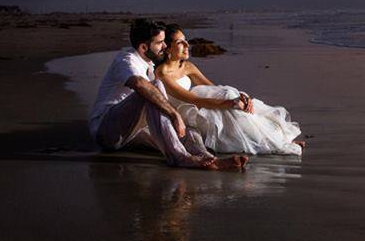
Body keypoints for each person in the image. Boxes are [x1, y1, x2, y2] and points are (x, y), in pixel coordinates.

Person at [88, 18, 248, 171]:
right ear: (144, 48)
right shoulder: (127, 60)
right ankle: (179, 157)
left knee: (190, 131)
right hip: (107, 130)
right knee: (154, 88)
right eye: (159, 43)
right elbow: (139, 84)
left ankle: (207, 158)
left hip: (133, 133)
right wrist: (174, 114)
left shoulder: (150, 65)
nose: (165, 46)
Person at [155, 24, 305, 156]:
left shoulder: (187, 66)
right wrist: (230, 103)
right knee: (227, 101)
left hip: (199, 102)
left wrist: (239, 97)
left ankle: (275, 139)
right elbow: (194, 99)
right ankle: (274, 143)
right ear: (167, 48)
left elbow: (213, 88)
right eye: (180, 42)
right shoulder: (162, 73)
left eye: (186, 40)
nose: (187, 45)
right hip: (185, 111)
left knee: (228, 94)